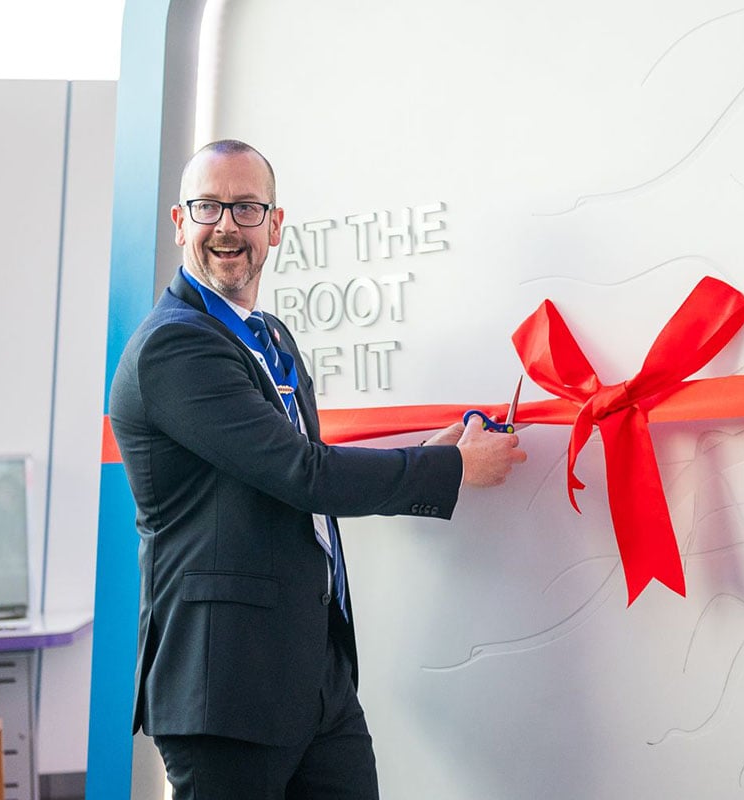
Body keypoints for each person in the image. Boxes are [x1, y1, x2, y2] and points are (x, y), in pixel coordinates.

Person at [108, 139, 526, 799]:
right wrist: (447, 470)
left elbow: (301, 474)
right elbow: (300, 472)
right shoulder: (174, 346)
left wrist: (439, 450)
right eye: (209, 207)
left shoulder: (268, 335)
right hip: (225, 687)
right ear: (179, 222)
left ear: (274, 226)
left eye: (246, 208)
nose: (226, 226)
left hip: (311, 676)